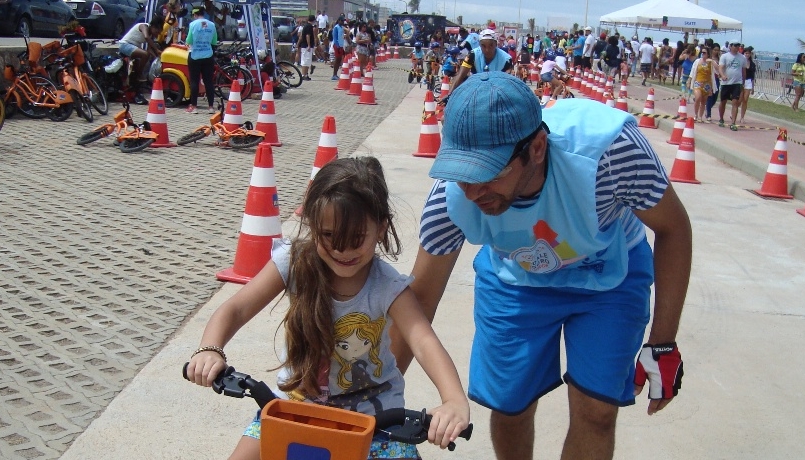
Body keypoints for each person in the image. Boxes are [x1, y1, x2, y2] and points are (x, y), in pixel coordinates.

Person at [390, 72, 690, 460]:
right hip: (516, 279)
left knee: (597, 412)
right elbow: (420, 303)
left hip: (607, 278)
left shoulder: (611, 154)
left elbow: (674, 229)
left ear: (537, 147)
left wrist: (663, 343)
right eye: (463, 174)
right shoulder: (451, 198)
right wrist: (377, 393)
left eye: (489, 174)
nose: (473, 191)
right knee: (511, 406)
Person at [185, 157, 471, 460]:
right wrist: (210, 348)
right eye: (329, 236)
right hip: (295, 409)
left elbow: (424, 342)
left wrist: (452, 400)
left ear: (381, 229)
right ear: (312, 224)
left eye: (356, 239)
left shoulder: (387, 286)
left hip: (375, 421)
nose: (342, 250)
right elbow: (237, 308)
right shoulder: (292, 262)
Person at [448, 29, 513, 93]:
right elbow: (460, 75)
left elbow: (507, 83)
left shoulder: (506, 60)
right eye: (483, 46)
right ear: (479, 45)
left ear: (496, 44)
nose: (487, 50)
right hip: (476, 89)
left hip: (496, 91)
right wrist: (449, 95)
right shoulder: (472, 55)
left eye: (491, 45)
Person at [117, 16, 164, 104]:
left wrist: (156, 58)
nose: (157, 35)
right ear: (152, 26)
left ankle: (135, 86)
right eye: (157, 32)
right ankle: (139, 73)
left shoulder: (151, 35)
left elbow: (150, 50)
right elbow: (146, 37)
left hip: (134, 48)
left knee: (147, 55)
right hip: (125, 45)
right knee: (145, 55)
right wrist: (157, 50)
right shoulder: (143, 26)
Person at [184, 6, 217, 114]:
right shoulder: (212, 25)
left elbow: (189, 40)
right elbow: (214, 42)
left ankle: (194, 107)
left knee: (194, 81)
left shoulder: (192, 24)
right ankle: (211, 107)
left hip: (195, 56)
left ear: (195, 15)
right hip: (208, 56)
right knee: (208, 82)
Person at [717, 41, 747, 130]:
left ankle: (733, 122)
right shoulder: (725, 56)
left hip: (737, 83)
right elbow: (721, 67)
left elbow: (743, 70)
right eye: (735, 45)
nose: (737, 47)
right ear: (730, 46)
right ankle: (721, 118)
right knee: (723, 102)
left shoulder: (742, 58)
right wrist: (722, 75)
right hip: (726, 83)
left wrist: (743, 82)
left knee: (735, 102)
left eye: (738, 46)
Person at [688, 46, 719, 121]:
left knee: (703, 102)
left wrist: (712, 61)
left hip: (707, 85)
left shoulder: (711, 62)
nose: (703, 54)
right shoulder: (697, 61)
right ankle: (695, 114)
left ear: (708, 54)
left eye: (704, 53)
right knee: (698, 97)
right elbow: (692, 71)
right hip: (698, 83)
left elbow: (718, 69)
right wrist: (689, 81)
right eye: (702, 52)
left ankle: (700, 116)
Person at [735, 46, 756, 124]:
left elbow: (753, 76)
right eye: (746, 53)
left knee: (745, 100)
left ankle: (742, 117)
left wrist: (753, 87)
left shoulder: (752, 64)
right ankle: (734, 112)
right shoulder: (740, 62)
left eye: (748, 53)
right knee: (739, 99)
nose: (747, 55)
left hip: (748, 82)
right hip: (741, 81)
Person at [705, 43, 722, 121]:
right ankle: (708, 114)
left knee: (715, 96)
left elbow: (720, 68)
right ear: (712, 50)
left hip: (716, 79)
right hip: (709, 79)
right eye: (715, 50)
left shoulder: (720, 59)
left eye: (717, 50)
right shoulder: (709, 59)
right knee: (710, 96)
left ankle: (707, 108)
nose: (716, 51)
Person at [297, 15, 316, 81]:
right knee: (305, 61)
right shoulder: (309, 26)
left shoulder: (306, 26)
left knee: (306, 61)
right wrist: (309, 45)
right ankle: (304, 75)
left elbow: (302, 36)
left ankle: (305, 74)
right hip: (306, 46)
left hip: (304, 45)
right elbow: (308, 36)